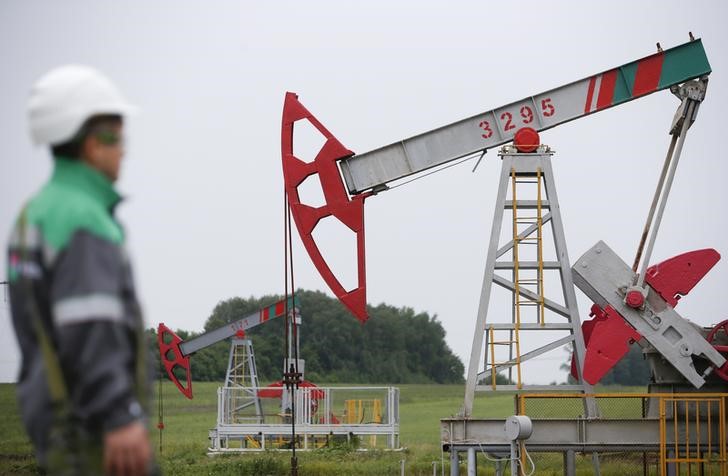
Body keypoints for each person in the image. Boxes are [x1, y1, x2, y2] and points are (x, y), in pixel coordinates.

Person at [7, 65, 155, 475]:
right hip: (96, 433)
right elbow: (90, 324)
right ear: (93, 143)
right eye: (119, 136)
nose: (124, 149)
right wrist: (119, 415)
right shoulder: (83, 219)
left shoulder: (32, 216)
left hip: (53, 420)